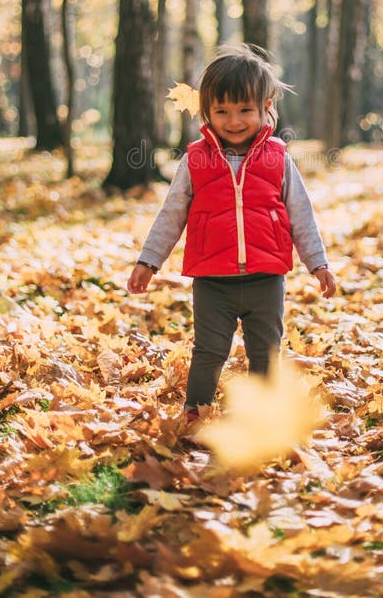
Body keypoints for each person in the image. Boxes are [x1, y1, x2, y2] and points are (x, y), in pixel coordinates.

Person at [127, 44, 336, 422]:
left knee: (265, 350)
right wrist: (149, 261)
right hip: (212, 280)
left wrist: (318, 263)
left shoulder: (277, 157)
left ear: (265, 106)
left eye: (245, 110)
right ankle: (195, 412)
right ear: (207, 111)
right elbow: (171, 214)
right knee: (208, 350)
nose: (234, 120)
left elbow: (300, 214)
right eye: (221, 111)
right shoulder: (196, 159)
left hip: (265, 278)